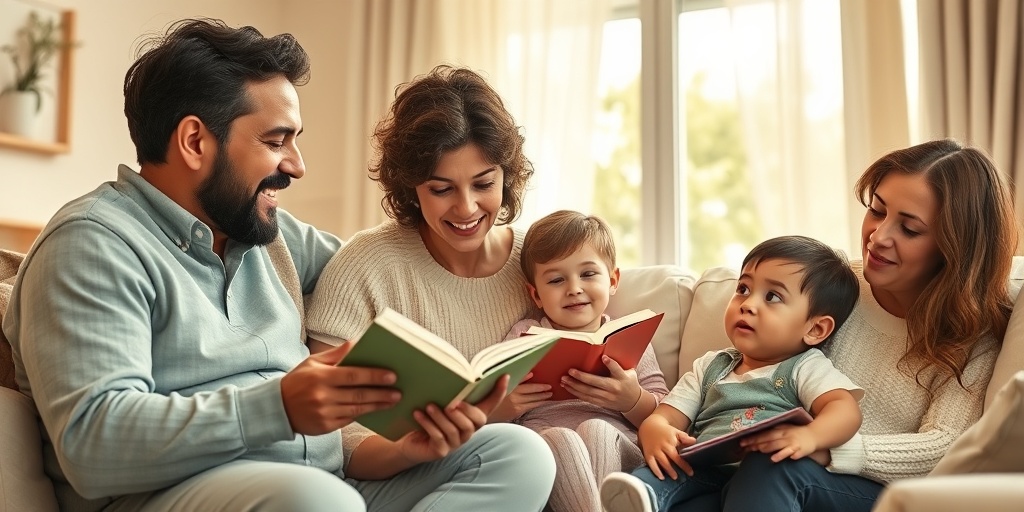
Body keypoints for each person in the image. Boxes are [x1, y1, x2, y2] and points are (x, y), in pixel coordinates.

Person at [2, 19, 554, 512]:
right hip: (178, 492)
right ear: (195, 140)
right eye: (275, 141)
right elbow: (93, 447)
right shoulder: (93, 246)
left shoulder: (271, 236)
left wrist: (494, 246)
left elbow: (380, 262)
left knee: (515, 453)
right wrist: (278, 407)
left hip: (327, 479)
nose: (297, 165)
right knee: (317, 501)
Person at [667, 139, 1019, 512]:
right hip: (772, 476)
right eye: (877, 210)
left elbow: (946, 447)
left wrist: (829, 448)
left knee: (773, 467)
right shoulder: (833, 288)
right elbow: (746, 369)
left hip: (872, 492)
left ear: (956, 246)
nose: (879, 237)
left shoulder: (972, 336)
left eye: (910, 229)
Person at [600, 235, 864, 512]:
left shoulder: (805, 366)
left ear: (815, 329)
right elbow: (664, 417)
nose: (747, 304)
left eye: (772, 296)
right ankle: (639, 496)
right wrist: (656, 432)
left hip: (764, 477)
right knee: (664, 470)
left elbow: (844, 410)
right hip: (703, 469)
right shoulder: (711, 365)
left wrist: (810, 437)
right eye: (743, 288)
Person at [493, 209, 670, 512]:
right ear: (535, 295)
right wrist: (509, 403)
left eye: (588, 274)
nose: (574, 288)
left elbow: (665, 414)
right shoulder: (525, 335)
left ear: (613, 279)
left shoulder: (632, 335)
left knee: (597, 429)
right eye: (557, 280)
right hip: (547, 451)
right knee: (562, 438)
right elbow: (490, 409)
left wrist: (632, 399)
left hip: (619, 450)